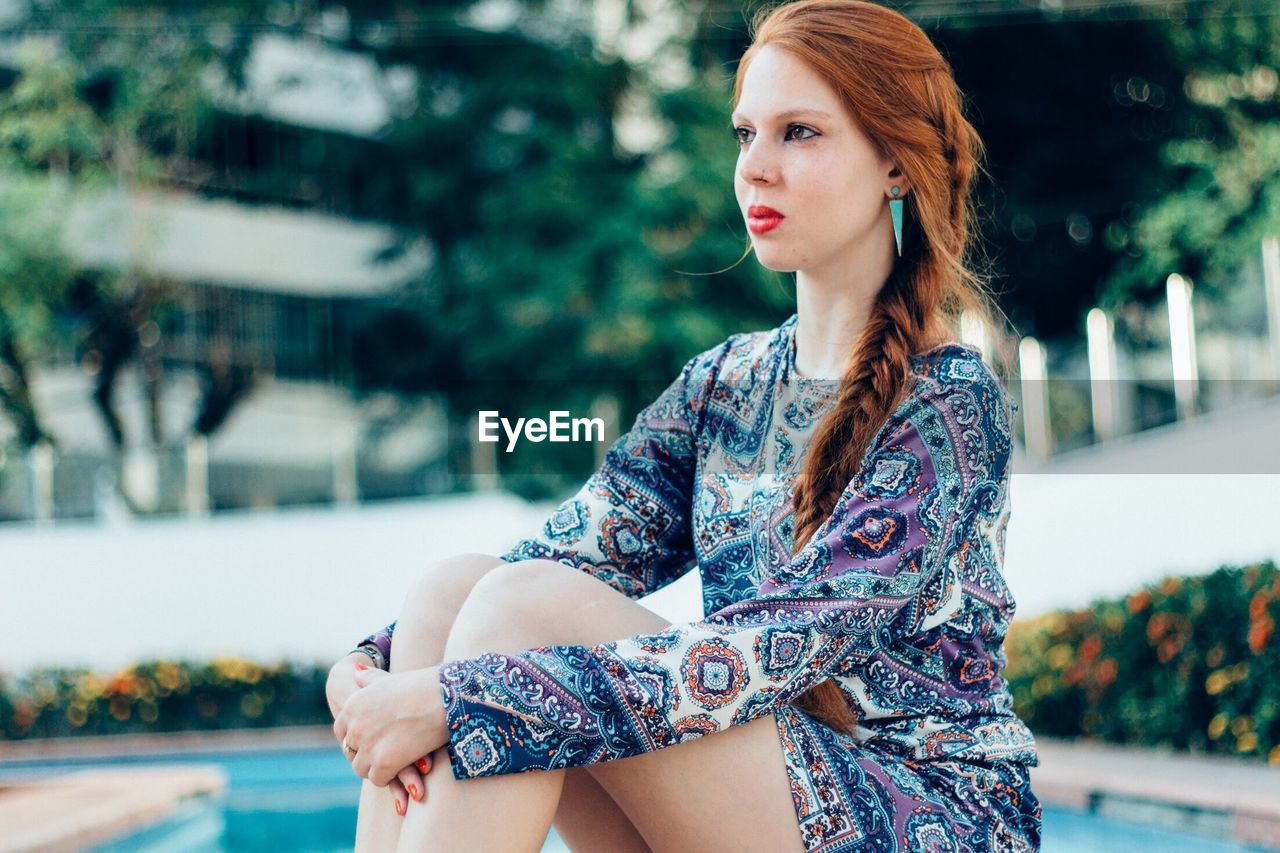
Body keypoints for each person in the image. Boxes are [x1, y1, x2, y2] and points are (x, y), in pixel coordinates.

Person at [328, 0, 1043, 849]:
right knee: (456, 591)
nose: (755, 169)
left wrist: (448, 700)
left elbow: (770, 651)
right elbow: (553, 558)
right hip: (751, 797)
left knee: (517, 622)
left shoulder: (948, 399)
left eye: (799, 133)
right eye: (746, 134)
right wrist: (371, 667)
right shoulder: (724, 384)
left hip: (928, 817)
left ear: (894, 164)